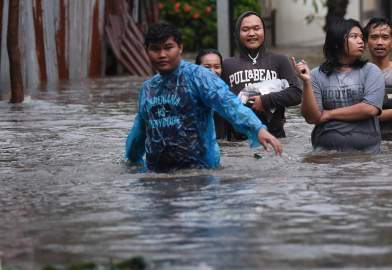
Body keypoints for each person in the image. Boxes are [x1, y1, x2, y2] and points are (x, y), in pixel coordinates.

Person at [125, 21, 282, 172]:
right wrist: (131, 161)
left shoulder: (199, 76)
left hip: (198, 172)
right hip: (156, 174)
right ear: (146, 50)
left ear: (180, 47)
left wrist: (257, 128)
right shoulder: (148, 89)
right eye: (155, 49)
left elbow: (228, 103)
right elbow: (139, 130)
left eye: (168, 48)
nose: (162, 55)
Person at [292, 18, 385, 153]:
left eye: (361, 37)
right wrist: (306, 82)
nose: (361, 42)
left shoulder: (371, 71)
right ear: (336, 43)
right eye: (354, 36)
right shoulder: (316, 75)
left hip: (367, 155)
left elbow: (370, 109)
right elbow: (312, 118)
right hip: (325, 154)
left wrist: (328, 114)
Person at [221, 11, 302, 140]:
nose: (251, 33)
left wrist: (265, 101)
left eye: (256, 28)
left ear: (264, 31)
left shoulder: (279, 60)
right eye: (245, 29)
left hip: (275, 139)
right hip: (239, 142)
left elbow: (297, 94)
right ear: (238, 34)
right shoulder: (226, 65)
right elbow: (216, 103)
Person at [195, 48, 227, 140]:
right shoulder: (189, 95)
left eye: (217, 67)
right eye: (207, 67)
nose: (212, 71)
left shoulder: (226, 96)